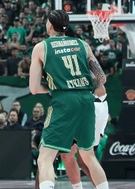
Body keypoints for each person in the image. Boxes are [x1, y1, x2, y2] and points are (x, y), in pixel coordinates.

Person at [29, 10, 109, 189]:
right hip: (87, 99)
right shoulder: (82, 44)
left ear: (50, 25)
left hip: (64, 99)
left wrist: (56, 86)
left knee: (45, 158)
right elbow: (101, 78)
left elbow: (34, 88)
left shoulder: (41, 47)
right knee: (88, 155)